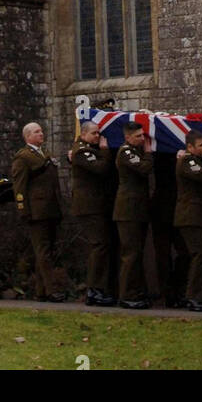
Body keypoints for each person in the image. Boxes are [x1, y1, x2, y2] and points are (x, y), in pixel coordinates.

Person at [11, 121, 66, 302]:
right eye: (36, 132)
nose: (41, 134)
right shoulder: (23, 157)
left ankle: (41, 290)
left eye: (41, 131)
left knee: (45, 250)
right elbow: (19, 186)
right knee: (43, 251)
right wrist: (23, 209)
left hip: (49, 208)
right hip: (36, 211)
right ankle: (51, 290)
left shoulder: (44, 154)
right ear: (28, 137)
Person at [70, 120, 115, 306]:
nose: (98, 136)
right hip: (89, 206)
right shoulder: (82, 151)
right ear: (83, 135)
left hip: (96, 205)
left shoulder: (84, 150)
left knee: (101, 246)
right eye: (94, 134)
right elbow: (100, 168)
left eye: (98, 133)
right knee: (98, 245)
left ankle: (98, 288)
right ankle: (94, 289)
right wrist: (105, 150)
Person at [174, 129, 202, 311]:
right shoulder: (187, 161)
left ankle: (190, 295)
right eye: (201, 145)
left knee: (198, 256)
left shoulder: (194, 160)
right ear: (190, 147)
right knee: (201, 254)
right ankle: (193, 296)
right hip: (190, 216)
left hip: (198, 217)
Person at [113, 121, 153, 308]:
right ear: (127, 137)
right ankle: (126, 295)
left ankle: (136, 292)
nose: (142, 139)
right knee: (130, 254)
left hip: (137, 210)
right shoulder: (126, 152)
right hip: (128, 211)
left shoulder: (135, 152)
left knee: (137, 253)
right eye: (137, 136)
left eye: (142, 135)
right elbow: (144, 168)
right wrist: (149, 152)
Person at [150, 151, 189, 308]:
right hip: (161, 209)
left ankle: (178, 290)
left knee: (185, 253)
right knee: (163, 255)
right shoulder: (159, 153)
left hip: (180, 209)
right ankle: (167, 293)